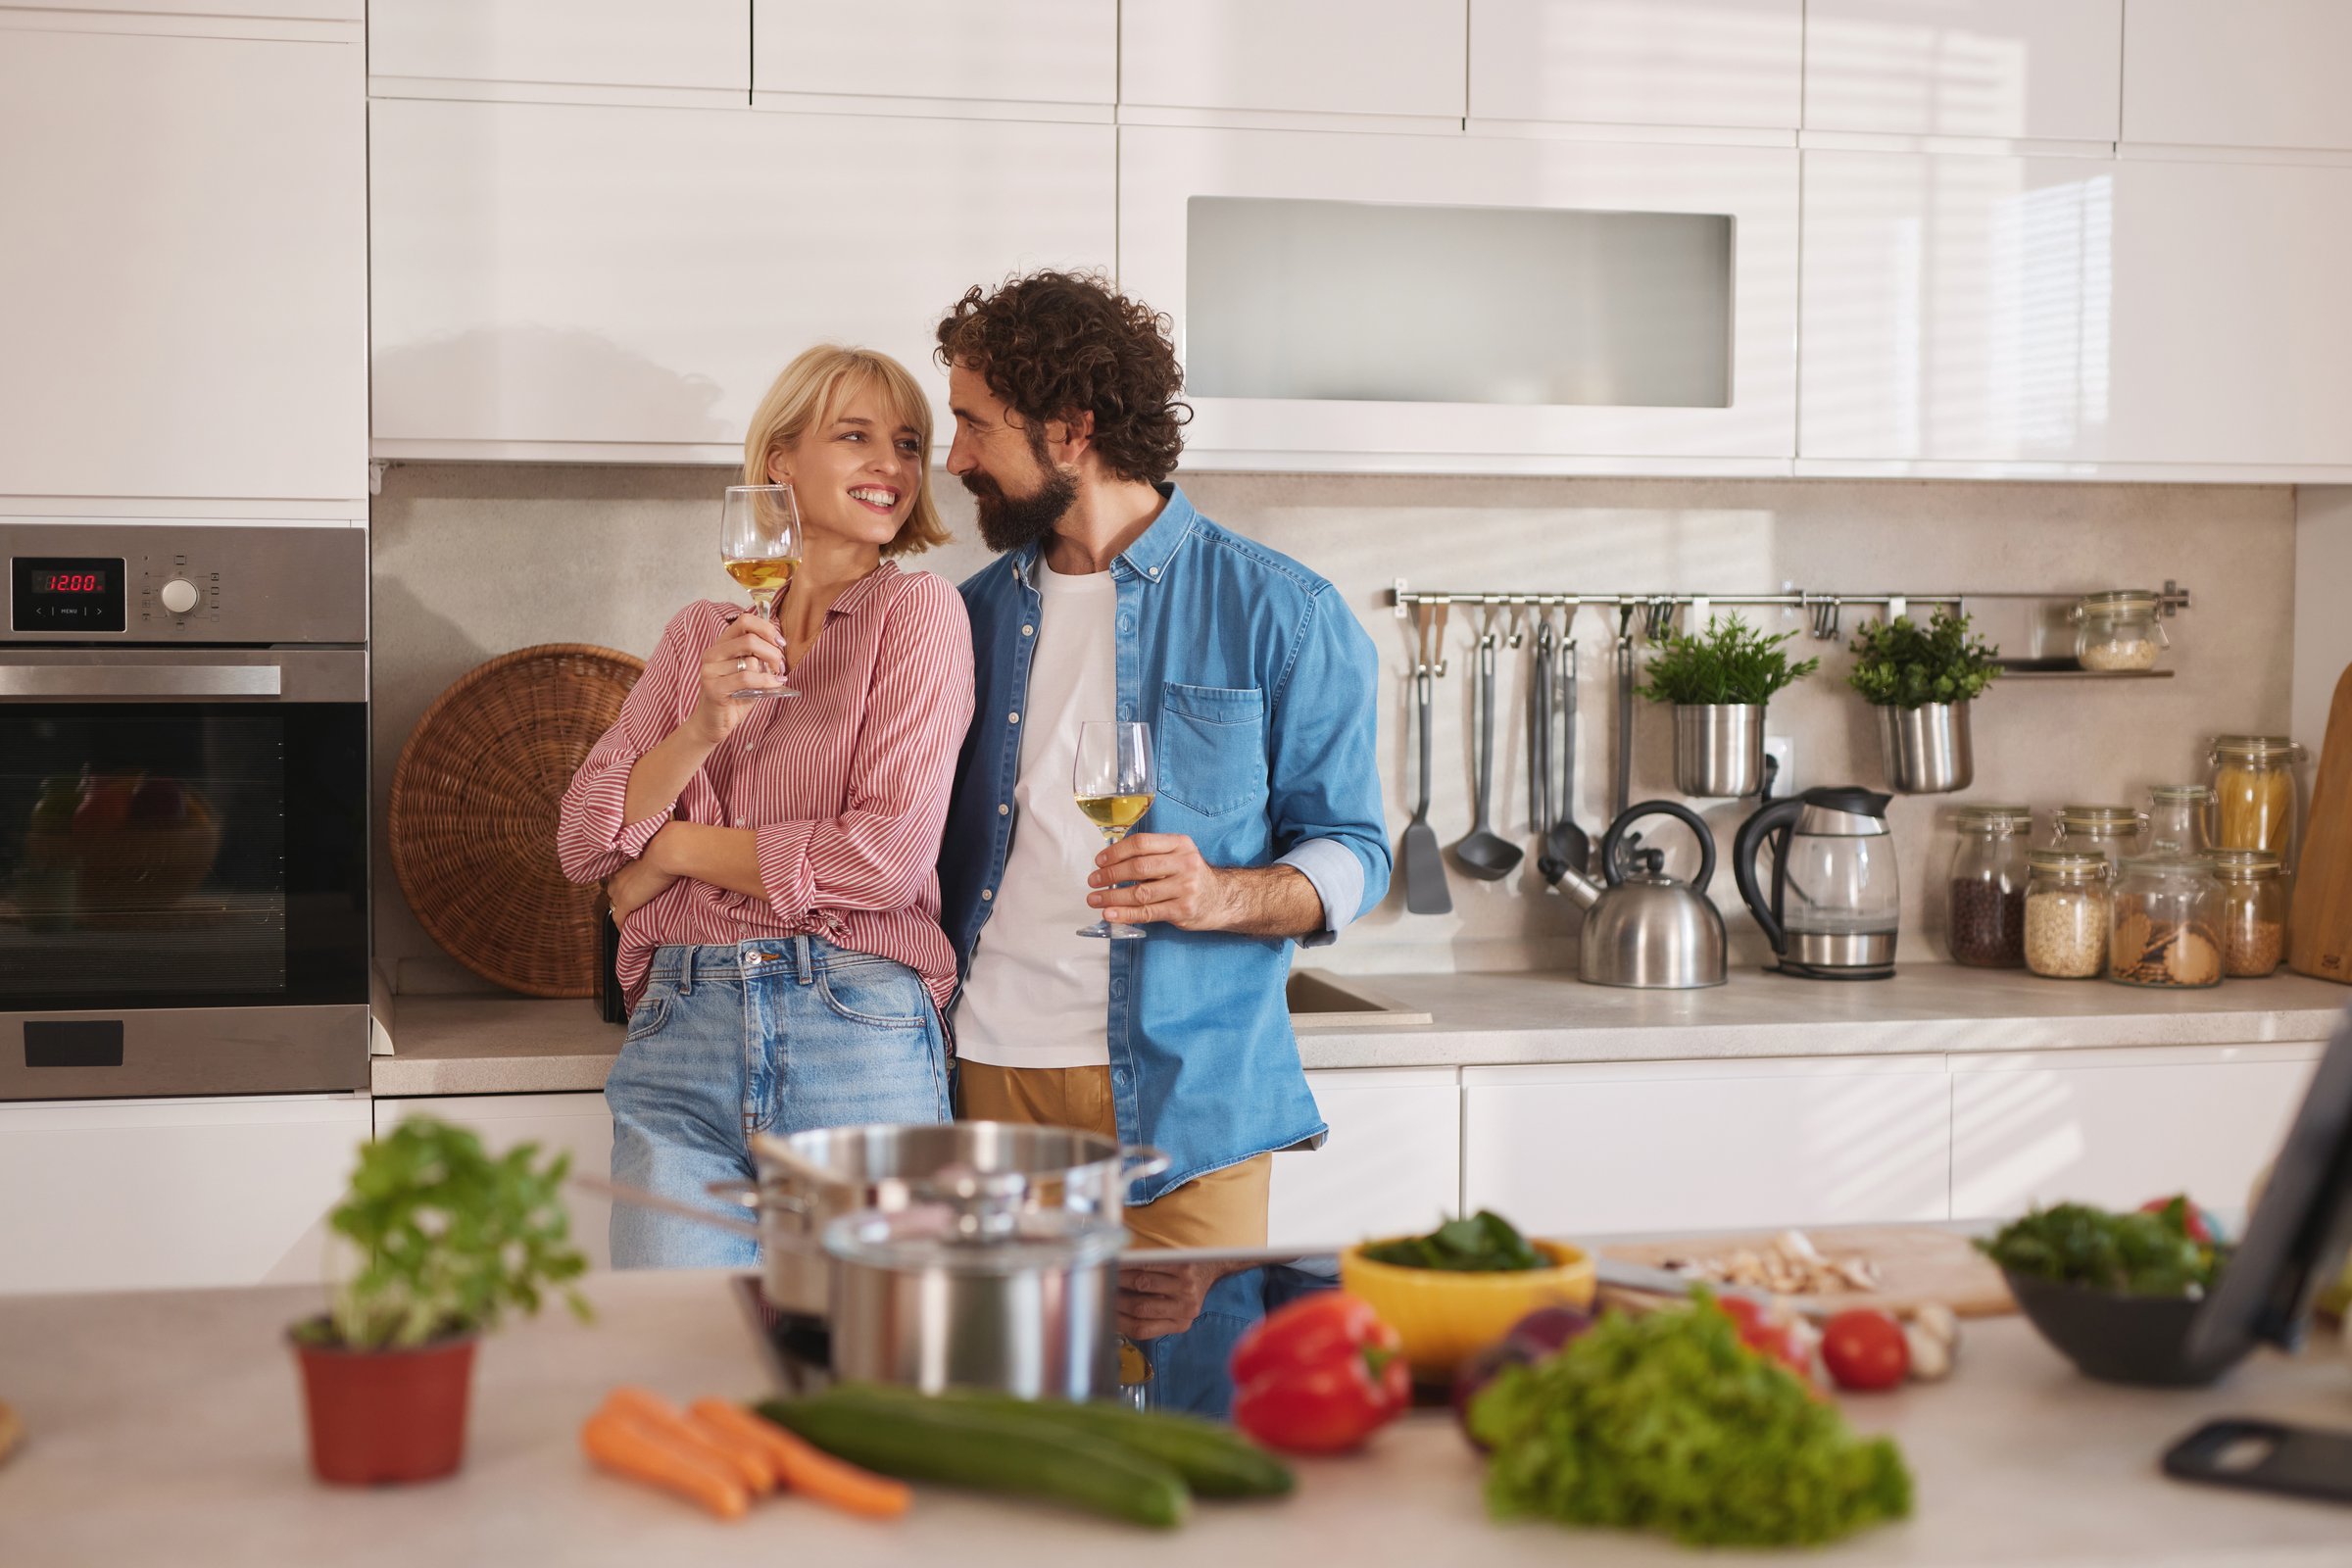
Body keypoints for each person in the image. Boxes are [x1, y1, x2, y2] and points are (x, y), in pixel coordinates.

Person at [933, 272, 1389, 1366]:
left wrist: (1225, 893)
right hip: (990, 1082)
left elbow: (1356, 850)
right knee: (1022, 1424)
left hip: (1195, 1103)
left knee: (1190, 1417)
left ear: (1072, 431)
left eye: (972, 425)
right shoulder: (965, 619)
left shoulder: (1282, 611)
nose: (952, 460)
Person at [557, 345, 974, 1268]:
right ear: (780, 461)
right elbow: (585, 841)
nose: (893, 466)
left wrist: (669, 855)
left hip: (852, 1027)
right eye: (855, 435)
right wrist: (701, 728)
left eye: (908, 443)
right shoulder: (698, 637)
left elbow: (882, 860)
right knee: (682, 1369)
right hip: (679, 1031)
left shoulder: (921, 616)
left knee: (874, 1381)